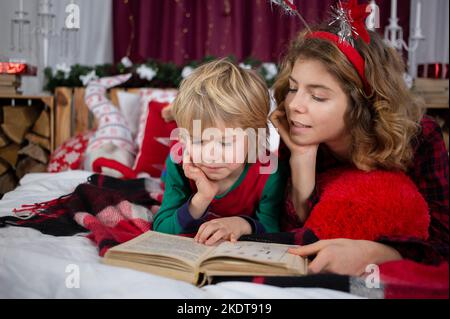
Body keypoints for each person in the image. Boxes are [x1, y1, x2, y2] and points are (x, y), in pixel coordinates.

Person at [270, 21, 449, 276]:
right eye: (293, 88)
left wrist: (379, 254)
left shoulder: (421, 137)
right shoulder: (299, 130)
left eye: (318, 96)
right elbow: (293, 234)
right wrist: (303, 157)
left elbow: (443, 245)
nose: (294, 105)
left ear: (362, 104)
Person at [153, 58, 287, 245]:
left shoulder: (270, 172)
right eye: (199, 140)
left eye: (225, 143)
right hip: (177, 162)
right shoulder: (178, 163)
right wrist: (200, 199)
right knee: (165, 177)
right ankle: (174, 115)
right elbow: (160, 228)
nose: (210, 155)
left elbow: (273, 228)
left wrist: (241, 224)